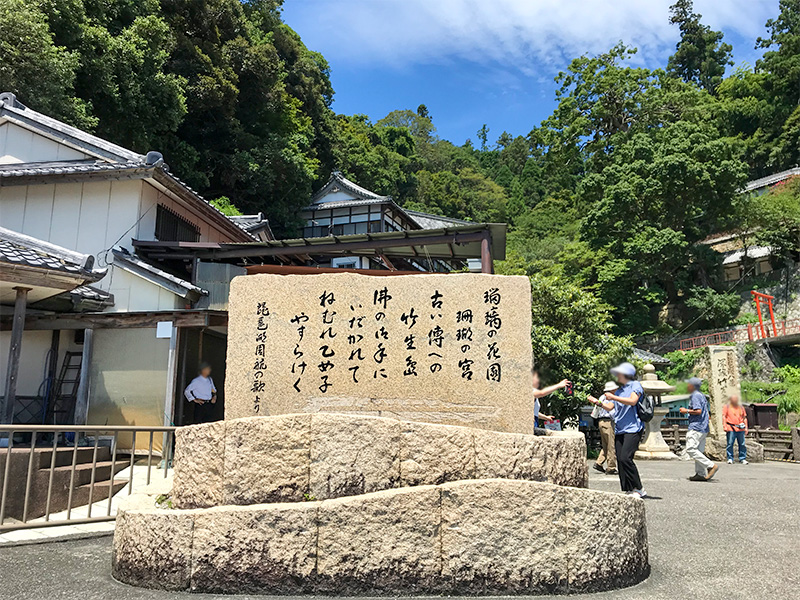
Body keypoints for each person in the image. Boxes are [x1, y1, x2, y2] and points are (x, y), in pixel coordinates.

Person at [587, 362, 647, 498]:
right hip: (620, 428)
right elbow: (609, 407)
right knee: (620, 459)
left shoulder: (635, 385)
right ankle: (629, 488)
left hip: (633, 428)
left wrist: (613, 397)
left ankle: (639, 488)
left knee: (626, 457)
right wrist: (598, 402)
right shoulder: (620, 390)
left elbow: (632, 401)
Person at [680, 377, 718, 481]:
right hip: (703, 427)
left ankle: (710, 465)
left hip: (696, 426)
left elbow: (698, 411)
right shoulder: (701, 395)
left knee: (691, 449)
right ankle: (700, 473)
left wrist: (686, 410)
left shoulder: (695, 395)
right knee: (699, 451)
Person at [589, 381, 618, 475]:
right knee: (611, 444)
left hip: (601, 421)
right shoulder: (612, 397)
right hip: (608, 421)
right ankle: (611, 467)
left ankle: (599, 462)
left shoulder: (602, 396)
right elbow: (610, 407)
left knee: (605, 444)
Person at [723, 394, 748, 465]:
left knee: (742, 444)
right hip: (731, 427)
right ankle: (730, 458)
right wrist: (725, 426)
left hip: (740, 427)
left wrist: (746, 427)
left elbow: (744, 417)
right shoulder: (727, 407)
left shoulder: (741, 407)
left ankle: (742, 458)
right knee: (730, 443)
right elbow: (724, 416)